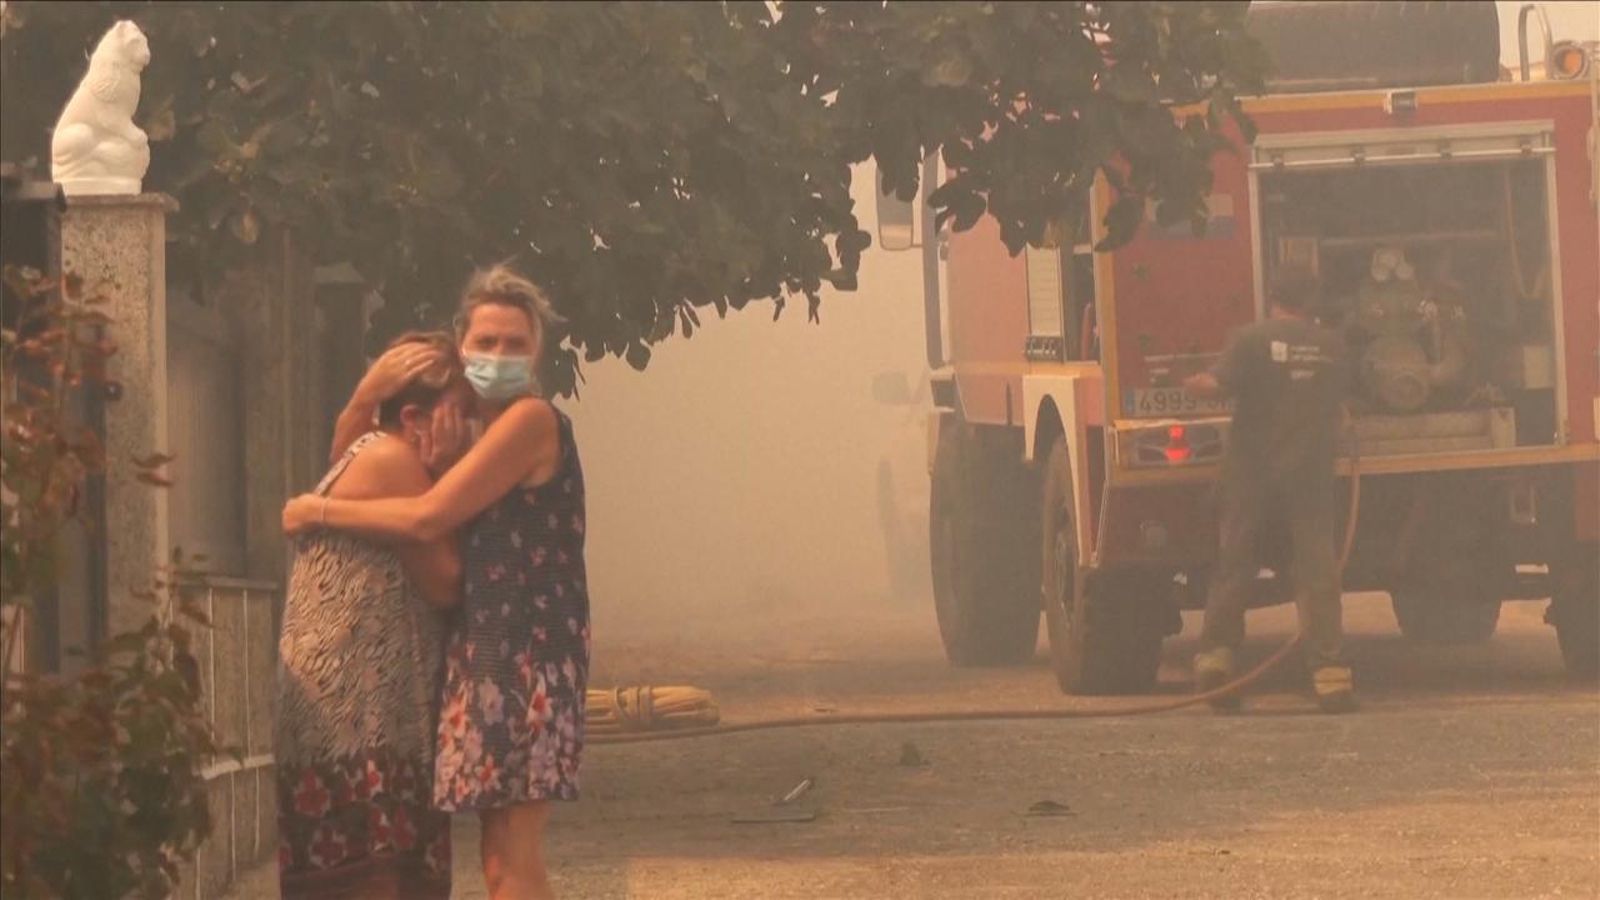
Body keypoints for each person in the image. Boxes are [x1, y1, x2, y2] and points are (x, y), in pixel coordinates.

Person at [284, 265, 586, 900]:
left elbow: (426, 518)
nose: (498, 356)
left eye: (515, 343)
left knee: (511, 857)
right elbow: (365, 467)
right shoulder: (474, 432)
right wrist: (364, 398)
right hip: (486, 653)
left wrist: (317, 511)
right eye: (486, 342)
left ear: (537, 353)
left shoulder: (529, 419)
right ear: (461, 344)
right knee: (498, 856)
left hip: (524, 657)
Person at [275, 331, 466, 898]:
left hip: (355, 718)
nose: (473, 430)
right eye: (461, 414)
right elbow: (446, 582)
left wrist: (362, 399)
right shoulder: (391, 459)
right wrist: (452, 470)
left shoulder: (372, 449)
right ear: (414, 418)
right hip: (361, 722)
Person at [1183, 264, 1355, 714]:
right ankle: (1330, 678)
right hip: (1310, 479)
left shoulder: (1249, 340)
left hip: (1251, 478)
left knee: (1234, 567)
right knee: (1318, 574)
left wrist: (1190, 383)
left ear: (1272, 297)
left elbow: (1215, 387)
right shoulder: (1332, 346)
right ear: (1312, 301)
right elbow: (1341, 402)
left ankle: (1216, 664)